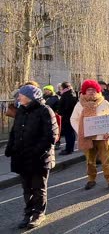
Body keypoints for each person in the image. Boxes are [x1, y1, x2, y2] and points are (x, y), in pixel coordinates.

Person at [5, 85, 59, 229]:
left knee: (38, 188)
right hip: (22, 156)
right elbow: (14, 131)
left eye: (21, 95)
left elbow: (51, 136)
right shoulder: (21, 110)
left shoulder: (45, 110)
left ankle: (38, 214)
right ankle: (28, 213)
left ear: (29, 96)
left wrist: (36, 152)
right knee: (26, 188)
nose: (18, 97)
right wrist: (10, 147)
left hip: (39, 158)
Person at [70, 80, 109, 191]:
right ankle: (91, 180)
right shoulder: (79, 105)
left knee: (106, 160)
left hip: (102, 137)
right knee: (90, 161)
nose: (91, 92)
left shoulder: (104, 103)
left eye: (93, 90)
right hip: (88, 138)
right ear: (84, 91)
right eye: (88, 90)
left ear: (97, 91)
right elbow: (73, 119)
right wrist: (81, 131)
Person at [57, 82, 78, 155]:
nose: (60, 89)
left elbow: (66, 107)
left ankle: (68, 149)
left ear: (64, 88)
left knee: (68, 133)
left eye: (61, 88)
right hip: (71, 116)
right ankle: (70, 148)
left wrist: (60, 112)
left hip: (67, 117)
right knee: (71, 133)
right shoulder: (73, 93)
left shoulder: (66, 95)